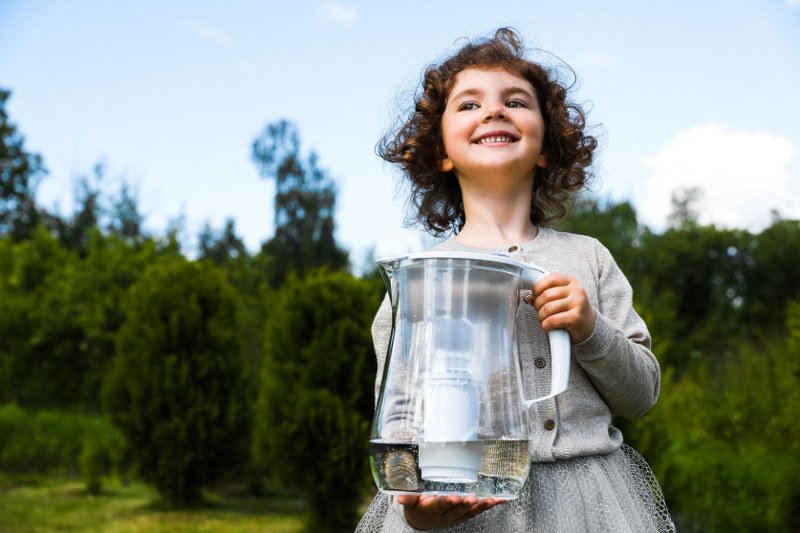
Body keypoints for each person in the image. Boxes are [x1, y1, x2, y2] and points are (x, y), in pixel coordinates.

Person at [356, 28, 675, 533]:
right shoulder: (418, 281)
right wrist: (413, 506)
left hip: (589, 505)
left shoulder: (588, 257)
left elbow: (641, 395)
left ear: (547, 147)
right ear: (440, 151)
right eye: (468, 105)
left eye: (515, 101)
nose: (494, 111)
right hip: (465, 498)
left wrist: (590, 329)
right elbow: (397, 414)